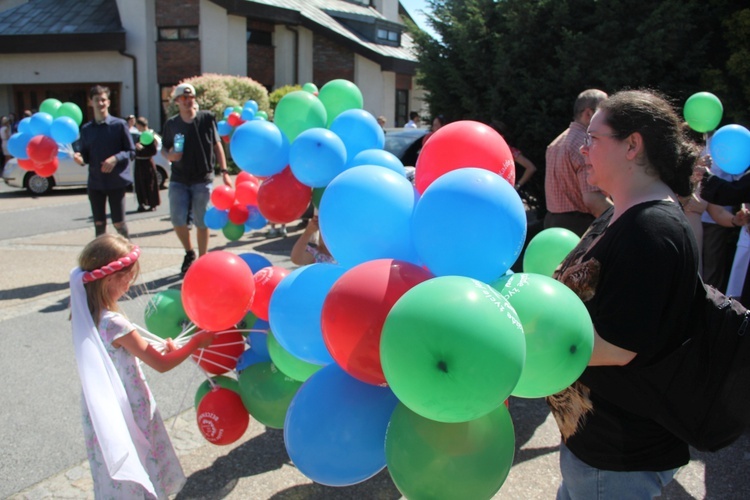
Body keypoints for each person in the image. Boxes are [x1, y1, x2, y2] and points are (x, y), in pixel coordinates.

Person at [547, 89, 703, 498]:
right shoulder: (621, 214)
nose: (582, 150)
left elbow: (619, 346)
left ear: (632, 145)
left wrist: (518, 347)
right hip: (595, 445)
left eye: (593, 138)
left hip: (619, 454)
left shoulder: (652, 231)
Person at [70, 234, 215, 498]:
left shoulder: (87, 314)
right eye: (128, 278)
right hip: (129, 404)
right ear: (110, 279)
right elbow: (160, 364)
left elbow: (121, 353)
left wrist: (163, 348)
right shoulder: (115, 323)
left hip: (102, 404)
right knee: (140, 451)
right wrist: (195, 342)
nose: (130, 284)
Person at [161, 83, 231, 273]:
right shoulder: (172, 124)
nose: (187, 101)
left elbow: (217, 145)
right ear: (176, 102)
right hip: (179, 178)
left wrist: (224, 172)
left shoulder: (206, 118)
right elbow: (165, 148)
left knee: (202, 221)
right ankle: (189, 251)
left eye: (190, 97)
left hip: (202, 178)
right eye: (183, 98)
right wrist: (170, 156)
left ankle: (202, 259)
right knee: (177, 219)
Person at [544, 89, 612, 236]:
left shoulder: (556, 142)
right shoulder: (585, 145)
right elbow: (593, 199)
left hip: (552, 224)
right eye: (605, 112)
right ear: (588, 113)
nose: (610, 119)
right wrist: (622, 220)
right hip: (578, 226)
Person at [74, 85, 135, 239]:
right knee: (99, 224)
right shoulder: (87, 129)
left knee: (119, 223)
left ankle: (128, 252)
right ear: (91, 102)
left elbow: (131, 151)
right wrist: (80, 159)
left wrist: (115, 158)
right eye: (97, 100)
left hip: (116, 182)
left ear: (108, 102)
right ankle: (100, 259)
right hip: (96, 183)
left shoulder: (119, 125)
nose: (100, 103)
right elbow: (86, 157)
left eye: (103, 100)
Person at [491, 120, 538, 192]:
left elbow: (531, 168)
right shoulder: (481, 147)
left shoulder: (509, 151)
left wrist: (517, 185)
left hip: (500, 190)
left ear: (501, 136)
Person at [133, 116, 161, 212]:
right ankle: (141, 203)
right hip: (139, 162)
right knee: (139, 184)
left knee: (150, 184)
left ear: (141, 125)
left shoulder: (150, 135)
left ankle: (152, 204)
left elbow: (153, 151)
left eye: (137, 125)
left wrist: (143, 149)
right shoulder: (139, 136)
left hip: (147, 162)